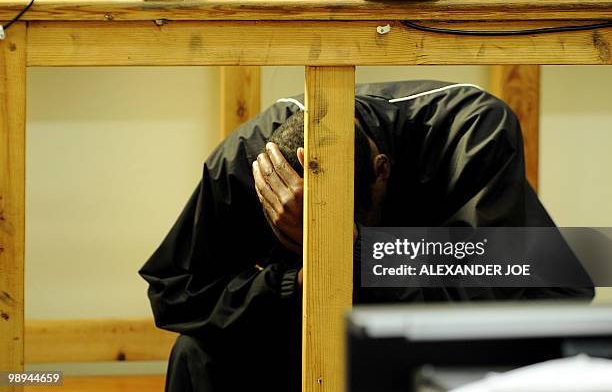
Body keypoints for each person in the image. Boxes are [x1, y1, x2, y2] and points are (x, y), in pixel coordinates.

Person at [139, 80, 593, 392]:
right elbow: (175, 290)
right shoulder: (248, 162)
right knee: (196, 354)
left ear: (382, 173)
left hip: (465, 303)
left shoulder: (471, 132)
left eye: (361, 224)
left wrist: (352, 254)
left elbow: (488, 297)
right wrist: (294, 279)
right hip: (304, 313)